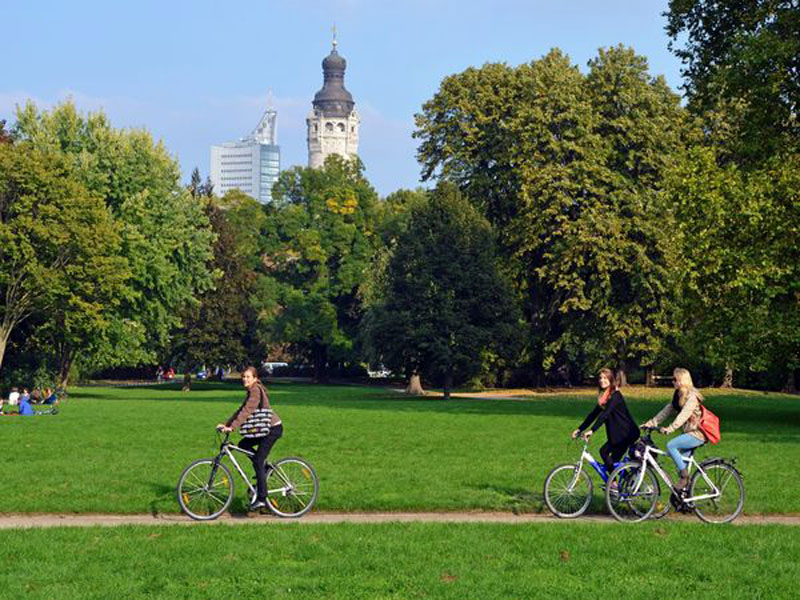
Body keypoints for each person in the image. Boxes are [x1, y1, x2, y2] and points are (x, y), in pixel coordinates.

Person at [217, 366, 283, 511]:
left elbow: (247, 411)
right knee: (243, 444)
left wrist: (232, 427)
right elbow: (241, 409)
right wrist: (227, 424)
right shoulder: (251, 391)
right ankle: (265, 470)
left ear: (255, 378)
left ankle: (261, 498)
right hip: (265, 429)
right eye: (243, 377)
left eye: (248, 377)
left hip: (272, 429)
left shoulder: (255, 390)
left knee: (258, 460)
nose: (245, 379)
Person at [642, 367, 707, 490]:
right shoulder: (678, 395)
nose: (673, 382)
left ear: (682, 381)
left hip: (697, 434)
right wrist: (651, 423)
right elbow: (667, 410)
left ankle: (684, 477)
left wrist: (670, 429)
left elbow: (684, 415)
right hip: (689, 432)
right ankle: (684, 498)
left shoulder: (692, 397)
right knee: (680, 465)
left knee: (671, 446)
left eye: (675, 379)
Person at [572, 368, 639, 477]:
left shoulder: (615, 396)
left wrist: (592, 430)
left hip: (626, 433)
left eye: (605, 378)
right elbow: (593, 414)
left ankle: (614, 485)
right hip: (619, 434)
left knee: (605, 453)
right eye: (600, 378)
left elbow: (605, 414)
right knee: (611, 463)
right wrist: (580, 428)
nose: (602, 380)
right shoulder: (604, 397)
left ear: (611, 379)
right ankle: (622, 484)